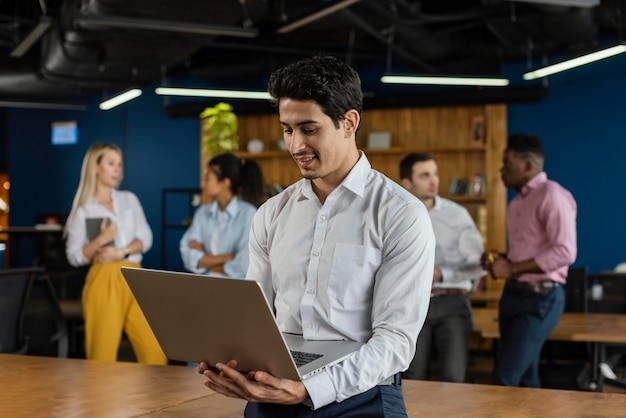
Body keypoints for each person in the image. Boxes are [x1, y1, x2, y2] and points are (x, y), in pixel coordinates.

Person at [197, 55, 435, 417]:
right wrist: (232, 362)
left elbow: (396, 341)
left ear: (349, 122)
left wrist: (308, 389)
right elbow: (255, 318)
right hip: (275, 391)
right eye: (287, 129)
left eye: (309, 129)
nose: (295, 146)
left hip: (362, 398)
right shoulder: (272, 214)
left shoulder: (401, 215)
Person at [481, 133, 577, 387]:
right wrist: (501, 259)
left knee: (505, 377)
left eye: (507, 163)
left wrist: (510, 267)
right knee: (525, 378)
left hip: (541, 300)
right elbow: (526, 252)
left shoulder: (552, 195)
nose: (502, 170)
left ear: (527, 165)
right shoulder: (517, 203)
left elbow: (565, 251)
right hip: (513, 294)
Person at [64, 142, 166, 364]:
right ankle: (100, 399)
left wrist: (120, 252)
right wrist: (100, 239)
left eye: (119, 164)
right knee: (101, 356)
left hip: (136, 277)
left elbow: (145, 238)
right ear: (95, 167)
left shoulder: (129, 199)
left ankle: (157, 399)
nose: (117, 169)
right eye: (111, 163)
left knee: (155, 352)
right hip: (103, 279)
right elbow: (74, 256)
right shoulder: (84, 210)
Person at [399, 152, 485, 383]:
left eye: (435, 174)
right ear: (407, 183)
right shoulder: (396, 214)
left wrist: (441, 274)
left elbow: (479, 265)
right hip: (413, 303)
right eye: (425, 175)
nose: (434, 180)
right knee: (413, 379)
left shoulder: (457, 215)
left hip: (452, 303)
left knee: (453, 379)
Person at [180, 153, 264, 278]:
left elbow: (244, 264)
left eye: (207, 178)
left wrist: (204, 258)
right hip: (204, 285)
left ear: (225, 182)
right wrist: (227, 257)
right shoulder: (202, 213)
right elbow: (186, 253)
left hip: (236, 288)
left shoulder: (248, 214)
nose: (202, 184)